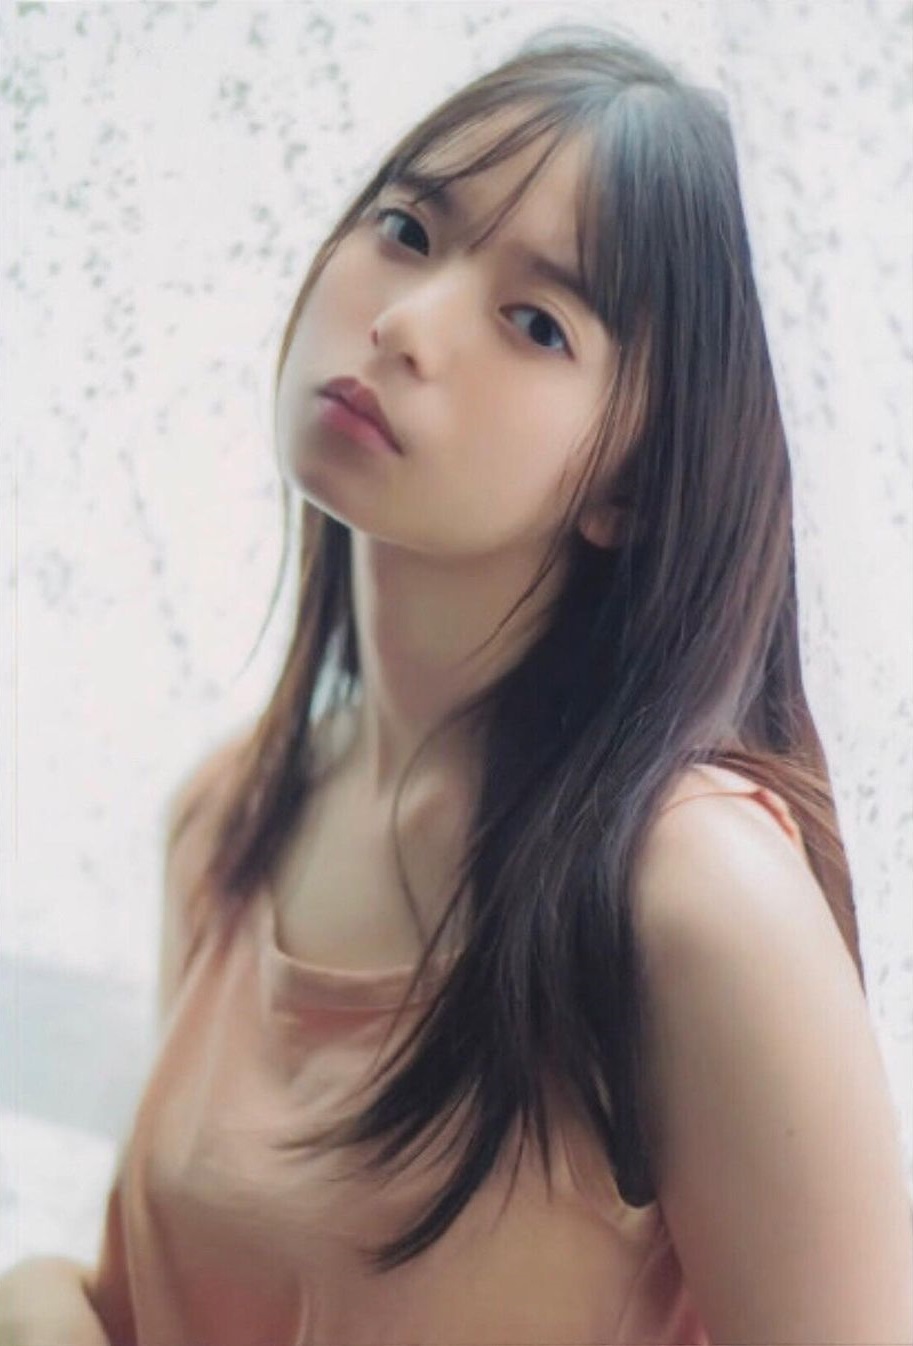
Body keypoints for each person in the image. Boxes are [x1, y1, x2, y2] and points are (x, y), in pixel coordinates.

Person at [1, 25, 911, 1346]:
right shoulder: (229, 820)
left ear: (630, 484)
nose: (407, 323)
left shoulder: (693, 899)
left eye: (537, 323)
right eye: (408, 230)